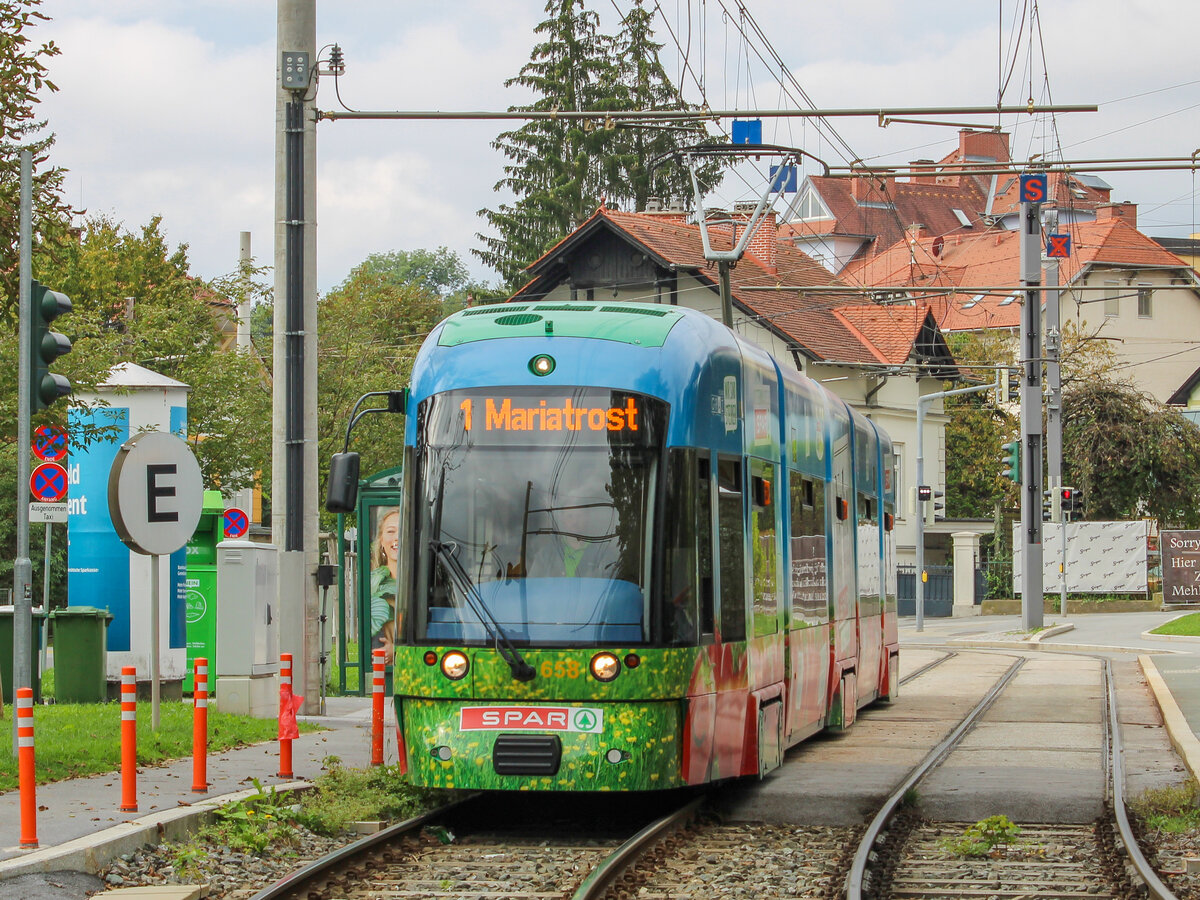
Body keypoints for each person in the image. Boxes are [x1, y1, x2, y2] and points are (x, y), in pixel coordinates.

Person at [369, 509, 399, 664]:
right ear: (381, 540)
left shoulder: (426, 581)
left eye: (403, 530)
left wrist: (395, 649)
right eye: (390, 531)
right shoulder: (373, 583)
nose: (397, 537)